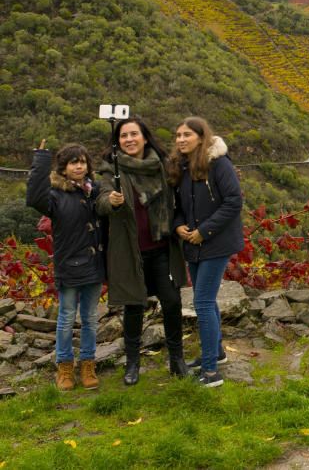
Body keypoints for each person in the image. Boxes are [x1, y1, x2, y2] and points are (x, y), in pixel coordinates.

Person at [96, 118, 188, 386]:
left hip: (161, 249)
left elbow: (179, 198)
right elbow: (100, 202)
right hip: (131, 252)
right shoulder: (111, 170)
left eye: (134, 134)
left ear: (145, 137)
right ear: (118, 142)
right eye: (123, 136)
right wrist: (111, 201)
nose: (129, 139)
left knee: (172, 302)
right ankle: (133, 364)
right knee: (134, 306)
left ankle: (177, 360)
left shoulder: (162, 167)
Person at [167, 117, 242, 388]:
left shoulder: (218, 163)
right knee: (206, 300)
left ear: (201, 137)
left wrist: (205, 230)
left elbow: (234, 201)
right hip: (193, 244)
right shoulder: (181, 167)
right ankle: (217, 353)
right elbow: (176, 207)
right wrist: (178, 227)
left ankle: (211, 372)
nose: (181, 139)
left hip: (216, 243)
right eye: (177, 135)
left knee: (203, 302)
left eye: (187, 134)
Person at [26, 140, 105, 391]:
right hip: (69, 265)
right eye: (73, 162)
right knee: (66, 319)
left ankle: (88, 364)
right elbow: (34, 197)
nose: (79, 166)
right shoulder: (55, 196)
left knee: (91, 319)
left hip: (93, 265)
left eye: (82, 161)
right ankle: (64, 367)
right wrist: (40, 160)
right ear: (63, 168)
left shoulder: (95, 191)